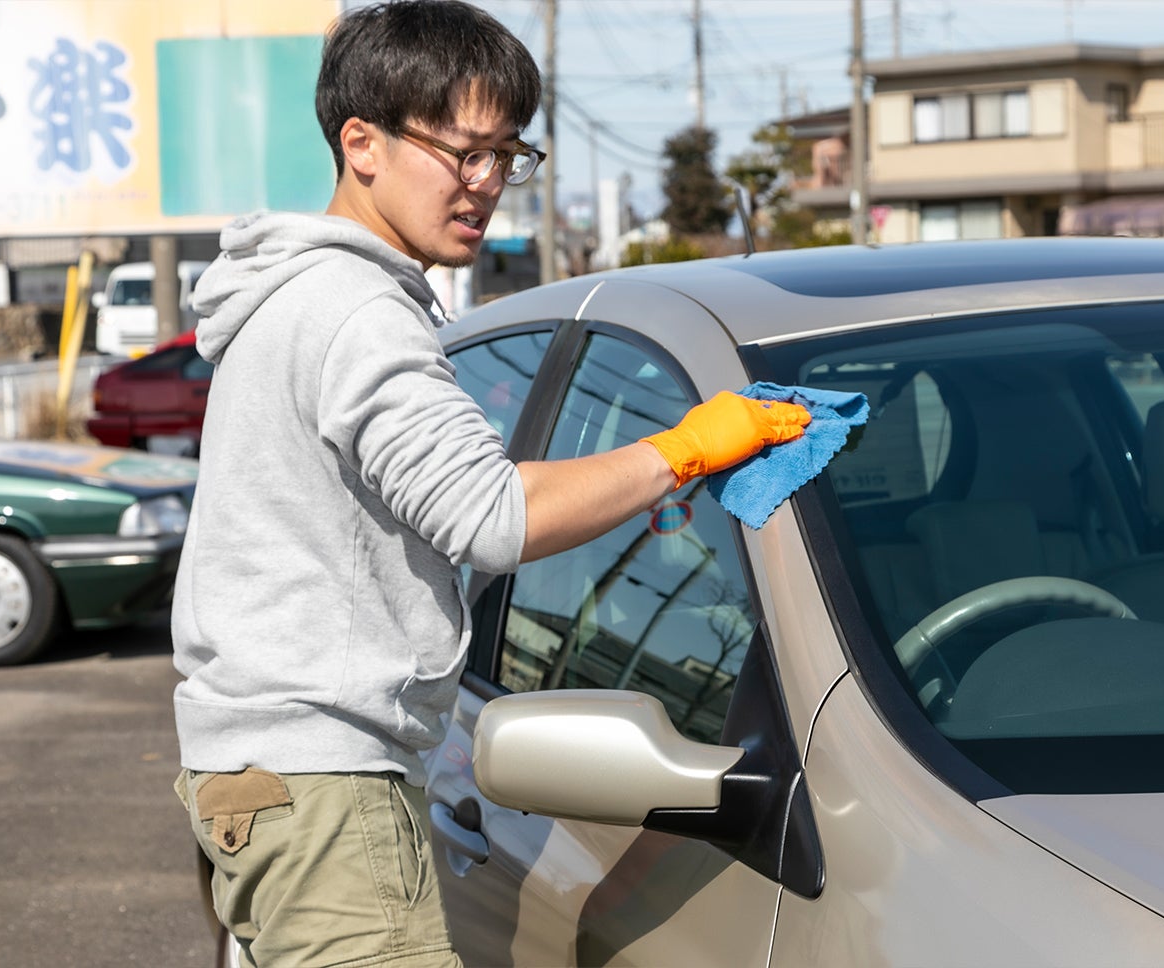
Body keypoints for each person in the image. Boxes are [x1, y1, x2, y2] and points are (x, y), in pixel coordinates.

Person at [168, 2, 810, 966]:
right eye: (464, 153)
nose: (488, 185)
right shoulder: (355, 313)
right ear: (362, 144)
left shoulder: (294, 297)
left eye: (507, 155)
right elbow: (494, 516)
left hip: (264, 770)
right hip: (324, 778)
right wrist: (682, 450)